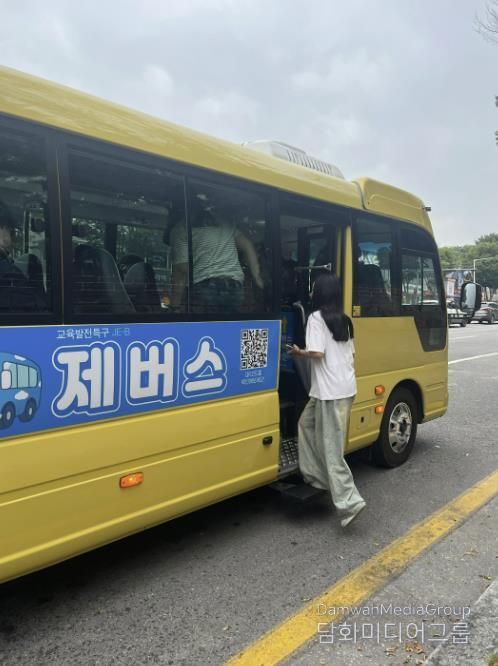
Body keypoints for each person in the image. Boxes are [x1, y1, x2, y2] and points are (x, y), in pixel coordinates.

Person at [288, 273, 366, 527]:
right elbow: (351, 354)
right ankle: (318, 478)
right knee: (306, 425)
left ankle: (350, 502)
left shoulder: (316, 318)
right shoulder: (344, 320)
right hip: (340, 389)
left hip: (331, 393)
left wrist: (298, 352)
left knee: (332, 450)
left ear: (319, 293)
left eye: (314, 289)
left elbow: (317, 353)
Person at [169, 205, 264, 313]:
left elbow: (181, 271)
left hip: (206, 286)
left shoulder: (180, 229)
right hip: (234, 286)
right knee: (229, 323)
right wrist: (257, 276)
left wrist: (174, 307)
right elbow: (247, 245)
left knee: (207, 323)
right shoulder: (223, 221)